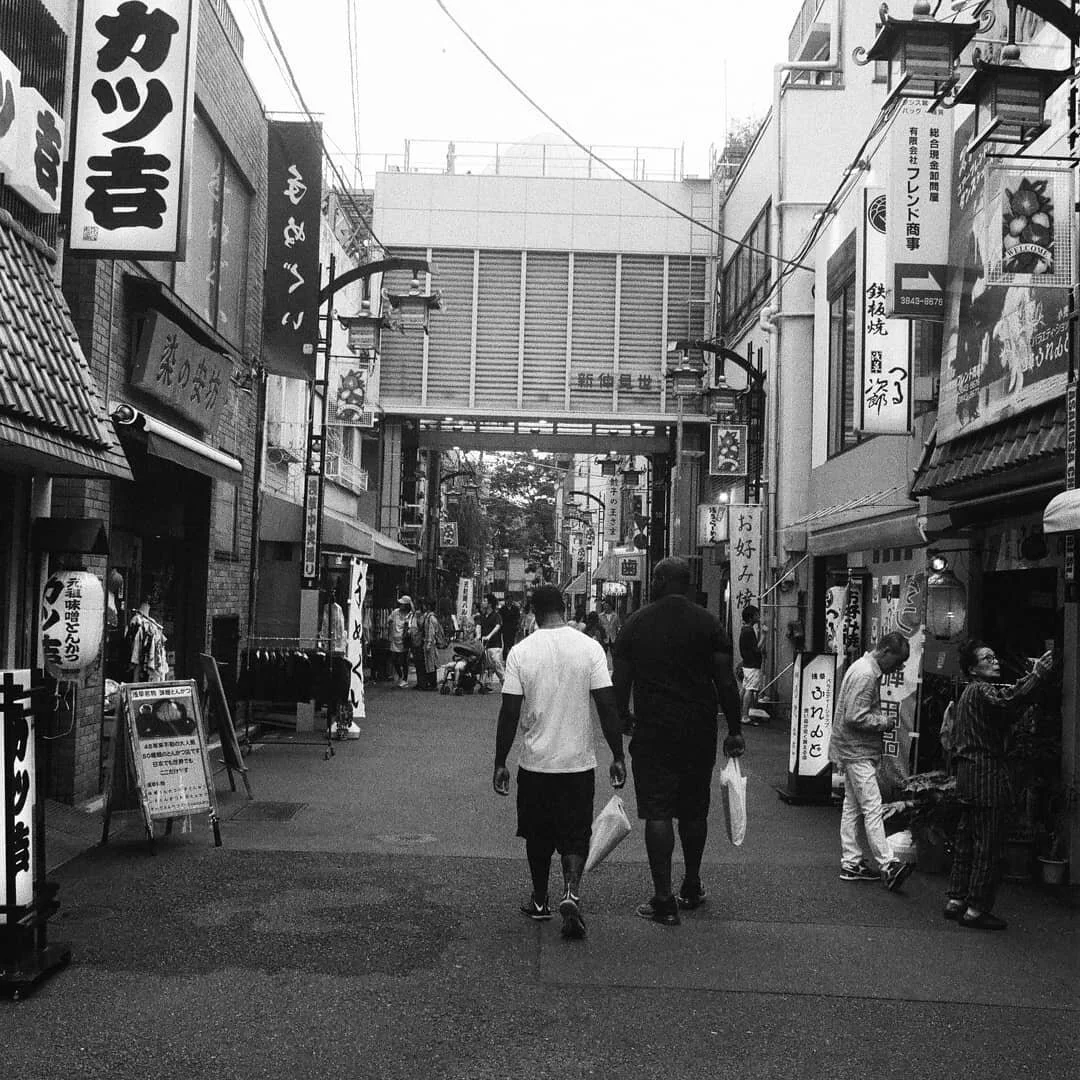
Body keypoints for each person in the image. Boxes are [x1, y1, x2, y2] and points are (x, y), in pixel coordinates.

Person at [612, 557, 744, 927]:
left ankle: (663, 898)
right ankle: (690, 884)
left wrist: (622, 719)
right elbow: (726, 682)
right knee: (693, 810)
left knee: (658, 811)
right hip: (698, 729)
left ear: (658, 581)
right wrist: (734, 729)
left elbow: (619, 682)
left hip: (654, 730)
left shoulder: (636, 624)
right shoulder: (709, 623)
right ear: (687, 585)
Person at [492, 584, 626, 940]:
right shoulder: (590, 648)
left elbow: (509, 712)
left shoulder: (521, 652)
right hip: (577, 763)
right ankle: (571, 890)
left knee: (537, 835)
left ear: (532, 611)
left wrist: (500, 761)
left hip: (535, 763)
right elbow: (607, 704)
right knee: (576, 834)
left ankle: (539, 901)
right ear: (564, 606)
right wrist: (618, 755)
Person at [945, 641, 1058, 930]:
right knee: (988, 845)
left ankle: (957, 900)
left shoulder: (969, 692)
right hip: (986, 776)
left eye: (994, 656)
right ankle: (976, 909)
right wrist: (1036, 676)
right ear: (973, 668)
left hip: (968, 776)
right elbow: (1007, 702)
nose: (995, 661)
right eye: (987, 658)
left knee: (966, 840)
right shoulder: (982, 690)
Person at [827, 631, 914, 892]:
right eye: (898, 661)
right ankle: (888, 863)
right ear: (886, 652)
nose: (898, 667)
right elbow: (855, 716)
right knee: (873, 806)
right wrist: (884, 721)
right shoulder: (866, 675)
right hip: (857, 750)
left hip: (851, 748)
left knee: (853, 806)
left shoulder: (862, 668)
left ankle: (851, 862)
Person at [738, 605, 766, 725]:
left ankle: (738, 712)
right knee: (749, 690)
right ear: (751, 617)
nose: (758, 616)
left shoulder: (745, 629)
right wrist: (764, 636)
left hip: (747, 664)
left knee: (745, 688)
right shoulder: (749, 631)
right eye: (756, 614)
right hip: (752, 664)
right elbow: (756, 649)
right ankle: (744, 716)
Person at [413, 596, 440, 691]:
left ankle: (433, 684)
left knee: (431, 664)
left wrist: (428, 643)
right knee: (428, 664)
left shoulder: (431, 618)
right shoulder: (428, 616)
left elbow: (431, 632)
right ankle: (430, 683)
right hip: (428, 642)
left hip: (430, 643)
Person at [479, 593, 504, 693]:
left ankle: (506, 684)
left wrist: (489, 636)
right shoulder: (484, 616)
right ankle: (486, 685)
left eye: (485, 601)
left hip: (495, 645)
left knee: (497, 665)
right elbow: (479, 627)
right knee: (486, 665)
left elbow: (498, 626)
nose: (483, 602)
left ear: (489, 604)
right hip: (485, 645)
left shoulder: (496, 615)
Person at [388, 596, 413, 688]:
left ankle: (405, 679)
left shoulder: (410, 614)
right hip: (394, 639)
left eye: (403, 604)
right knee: (394, 659)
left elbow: (410, 627)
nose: (401, 605)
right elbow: (389, 620)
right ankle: (400, 675)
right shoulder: (395, 612)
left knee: (403, 660)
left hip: (403, 641)